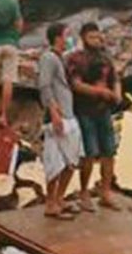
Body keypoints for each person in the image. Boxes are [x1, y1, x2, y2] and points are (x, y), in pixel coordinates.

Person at [66, 22, 122, 212]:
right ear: (83, 38)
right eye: (92, 37)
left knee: (109, 152)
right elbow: (76, 84)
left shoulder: (106, 58)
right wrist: (99, 91)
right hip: (84, 110)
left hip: (104, 111)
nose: (96, 41)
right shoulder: (76, 59)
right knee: (89, 153)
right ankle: (84, 192)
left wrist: (116, 93)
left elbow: (115, 79)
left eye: (98, 37)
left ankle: (105, 192)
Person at [38, 23, 83, 220]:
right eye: (67, 35)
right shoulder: (48, 58)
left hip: (68, 114)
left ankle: (59, 198)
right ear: (57, 37)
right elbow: (45, 86)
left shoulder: (60, 59)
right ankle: (50, 203)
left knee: (71, 160)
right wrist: (54, 112)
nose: (69, 38)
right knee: (55, 161)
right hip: (58, 116)